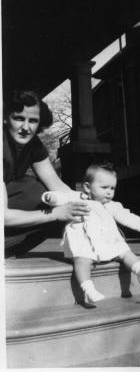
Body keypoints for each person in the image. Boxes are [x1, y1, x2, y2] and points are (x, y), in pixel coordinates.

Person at [42, 162, 140, 306]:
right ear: (87, 187)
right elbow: (62, 197)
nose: (109, 192)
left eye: (112, 188)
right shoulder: (77, 197)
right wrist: (51, 197)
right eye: (104, 188)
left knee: (125, 252)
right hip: (83, 241)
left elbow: (128, 217)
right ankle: (89, 289)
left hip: (107, 241)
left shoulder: (112, 206)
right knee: (82, 260)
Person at [3, 90, 90, 257]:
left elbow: (56, 185)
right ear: (6, 118)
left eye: (33, 121)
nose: (25, 128)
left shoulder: (33, 145)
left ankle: (10, 251)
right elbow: (3, 216)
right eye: (19, 118)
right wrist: (56, 214)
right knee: (33, 192)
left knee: (46, 195)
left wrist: (88, 202)